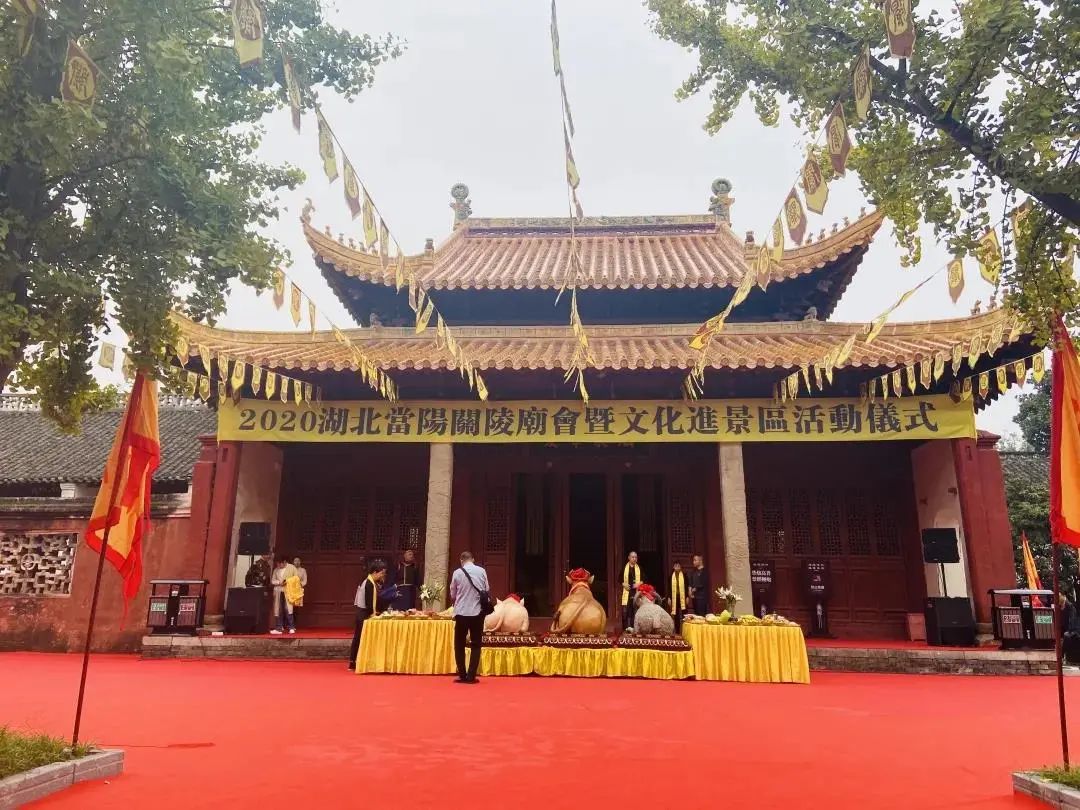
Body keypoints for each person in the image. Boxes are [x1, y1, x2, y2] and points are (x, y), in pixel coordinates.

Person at [449, 551, 489, 684]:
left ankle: (462, 675)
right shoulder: (481, 571)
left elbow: (453, 593)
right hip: (477, 612)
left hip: (461, 612)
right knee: (476, 644)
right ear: (473, 559)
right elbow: (486, 589)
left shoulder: (457, 573)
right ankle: (471, 676)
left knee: (459, 644)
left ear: (461, 560)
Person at [347, 560, 387, 671]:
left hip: (363, 612)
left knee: (359, 638)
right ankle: (354, 662)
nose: (382, 575)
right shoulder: (369, 583)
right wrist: (374, 614)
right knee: (359, 638)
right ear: (375, 572)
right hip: (363, 614)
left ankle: (354, 662)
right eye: (381, 573)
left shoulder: (369, 581)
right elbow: (369, 603)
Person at [270, 555, 298, 635]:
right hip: (278, 591)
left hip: (288, 591)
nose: (278, 565)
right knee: (278, 609)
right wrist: (279, 582)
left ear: (284, 562)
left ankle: (291, 627)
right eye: (277, 564)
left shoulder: (292, 568)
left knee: (288, 608)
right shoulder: (276, 570)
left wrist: (287, 581)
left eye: (279, 564)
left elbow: (296, 578)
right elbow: (273, 580)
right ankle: (279, 628)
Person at [621, 551, 642, 631]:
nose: (634, 559)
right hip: (627, 591)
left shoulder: (639, 568)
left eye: (635, 557)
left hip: (636, 592)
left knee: (635, 610)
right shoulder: (625, 568)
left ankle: (635, 628)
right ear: (629, 558)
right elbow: (619, 579)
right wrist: (624, 584)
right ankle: (625, 628)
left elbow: (644, 579)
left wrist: (638, 584)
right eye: (632, 557)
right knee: (626, 611)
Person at [669, 560, 687, 633]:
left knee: (684, 614)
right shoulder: (671, 576)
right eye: (675, 566)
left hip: (682, 597)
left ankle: (685, 630)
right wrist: (669, 598)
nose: (677, 567)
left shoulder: (684, 575)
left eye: (678, 566)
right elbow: (669, 588)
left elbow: (686, 586)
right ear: (673, 567)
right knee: (676, 615)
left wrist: (687, 597)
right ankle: (677, 631)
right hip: (674, 598)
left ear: (680, 567)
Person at [292, 557, 308, 624]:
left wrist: (299, 584)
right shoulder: (290, 569)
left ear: (300, 562)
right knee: (289, 607)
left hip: (298, 590)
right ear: (293, 562)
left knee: (296, 607)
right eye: (295, 561)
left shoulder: (303, 570)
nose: (297, 562)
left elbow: (305, 581)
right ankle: (287, 623)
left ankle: (294, 623)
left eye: (298, 561)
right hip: (290, 589)